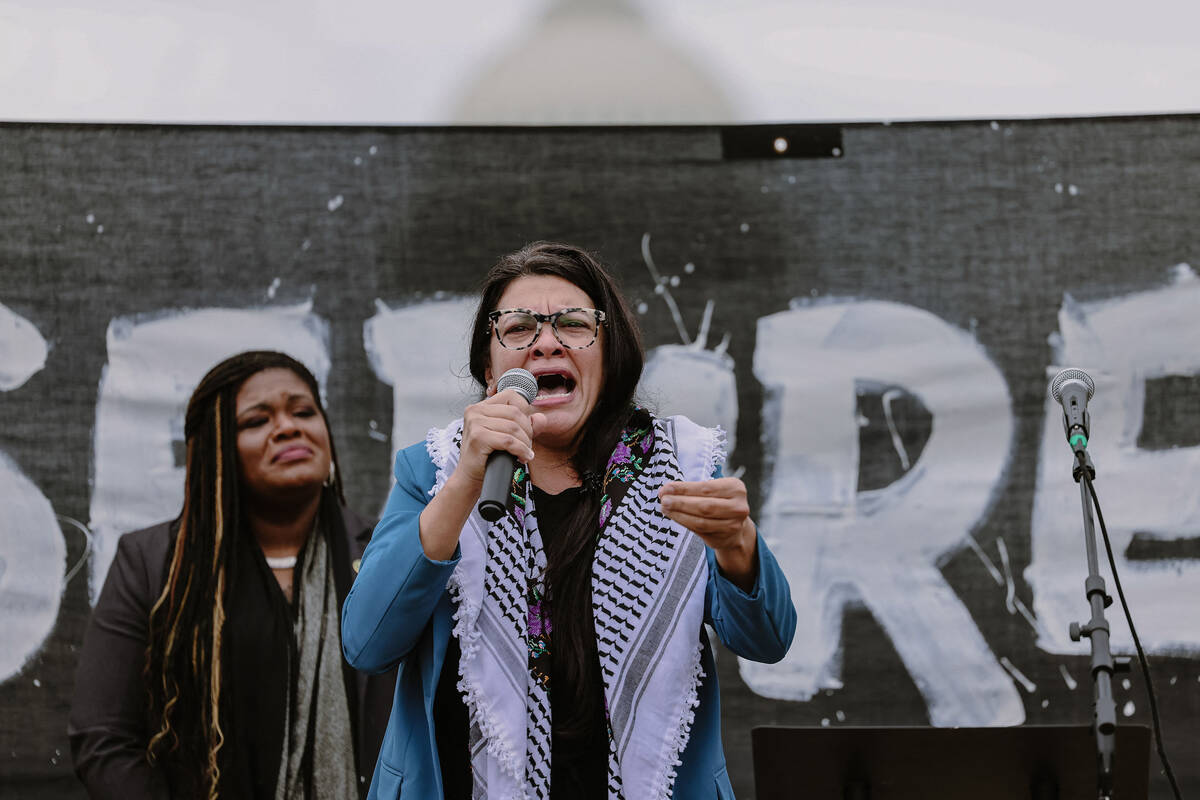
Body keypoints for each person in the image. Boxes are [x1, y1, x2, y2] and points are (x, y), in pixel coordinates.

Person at [342, 242, 797, 799]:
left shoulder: (680, 466)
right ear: (489, 367)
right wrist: (464, 482)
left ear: (609, 357)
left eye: (575, 325)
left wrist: (739, 546)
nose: (547, 342)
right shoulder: (435, 471)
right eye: (519, 328)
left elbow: (769, 641)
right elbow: (367, 644)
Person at [69, 350, 395, 800]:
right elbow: (103, 738)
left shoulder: (388, 555)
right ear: (216, 452)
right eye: (256, 421)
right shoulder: (150, 563)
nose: (288, 427)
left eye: (303, 411)